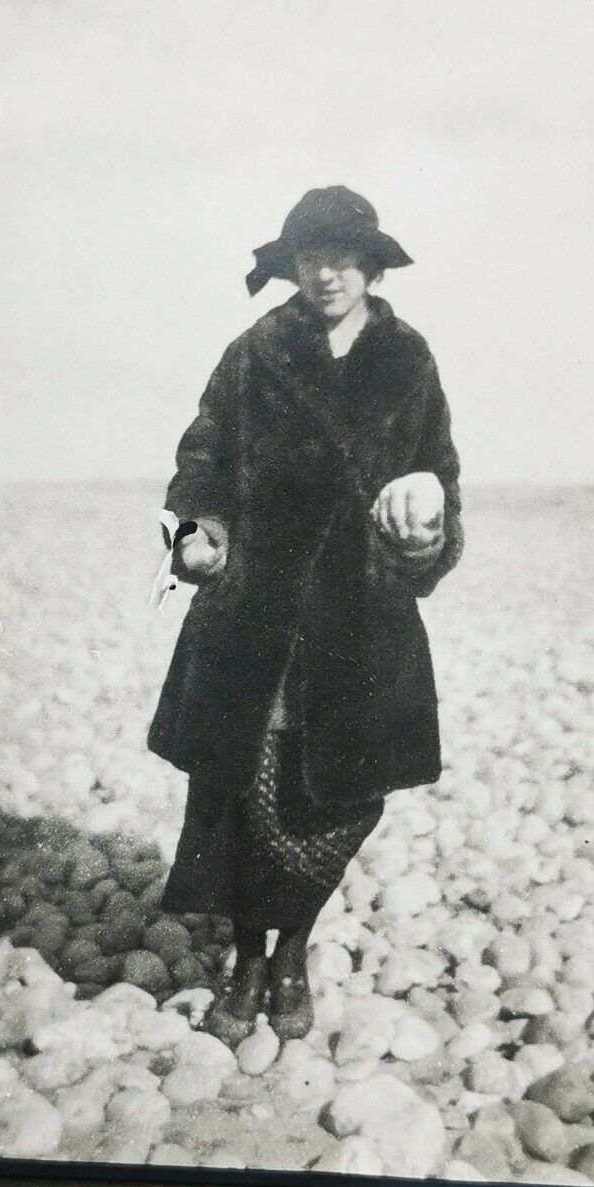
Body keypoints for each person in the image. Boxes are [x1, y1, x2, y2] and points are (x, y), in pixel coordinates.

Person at [147, 186, 463, 1045]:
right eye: (310, 257)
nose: (327, 273)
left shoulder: (409, 361)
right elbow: (200, 460)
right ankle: (252, 958)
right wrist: (199, 533)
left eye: (344, 256)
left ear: (370, 264)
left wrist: (424, 530)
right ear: (290, 266)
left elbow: (441, 481)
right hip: (253, 608)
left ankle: (297, 947)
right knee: (244, 788)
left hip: (361, 617)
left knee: (336, 795)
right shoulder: (254, 352)